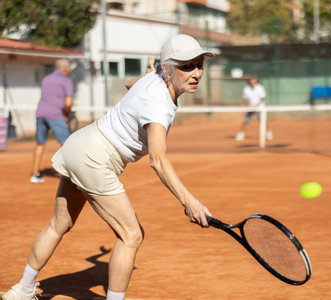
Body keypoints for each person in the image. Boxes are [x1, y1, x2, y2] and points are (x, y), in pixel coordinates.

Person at [1, 34, 214, 300]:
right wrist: (189, 201)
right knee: (131, 235)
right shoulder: (159, 103)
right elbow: (158, 160)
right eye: (186, 66)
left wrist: (152, 76)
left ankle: (23, 288)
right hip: (95, 158)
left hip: (80, 144)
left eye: (199, 64)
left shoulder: (154, 80)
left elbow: (128, 83)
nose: (196, 72)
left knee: (60, 223)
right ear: (168, 68)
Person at [30, 59, 73, 183]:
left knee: (40, 143)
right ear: (65, 68)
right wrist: (66, 115)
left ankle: (35, 174)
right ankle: (71, 175)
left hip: (40, 112)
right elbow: (68, 103)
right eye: (68, 68)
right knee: (66, 144)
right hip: (55, 114)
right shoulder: (66, 80)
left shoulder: (46, 79)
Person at [235, 76, 273, 141]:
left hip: (260, 108)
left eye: (254, 82)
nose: (252, 83)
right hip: (250, 108)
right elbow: (245, 99)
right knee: (245, 121)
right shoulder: (246, 89)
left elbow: (262, 98)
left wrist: (256, 105)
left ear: (256, 81)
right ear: (249, 82)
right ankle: (241, 134)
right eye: (251, 82)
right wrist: (243, 104)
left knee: (263, 121)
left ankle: (268, 133)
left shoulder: (260, 87)